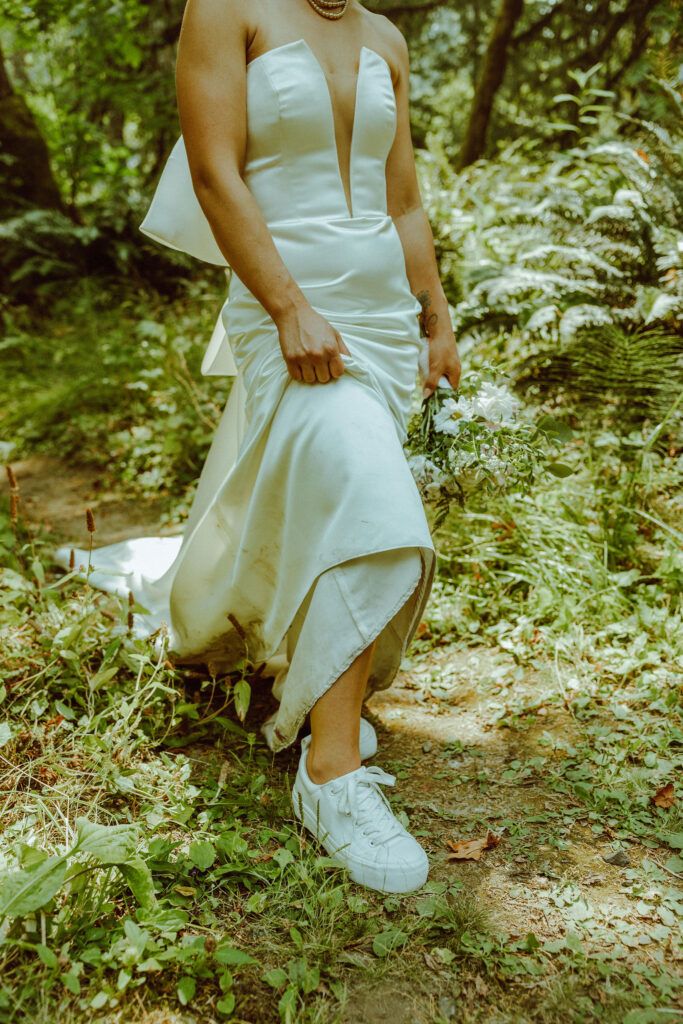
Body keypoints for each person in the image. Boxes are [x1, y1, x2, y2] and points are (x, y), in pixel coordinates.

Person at [55, 0, 461, 894]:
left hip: (382, 323)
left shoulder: (385, 38)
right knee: (364, 486)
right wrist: (287, 307)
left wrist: (435, 315)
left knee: (338, 489)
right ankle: (331, 775)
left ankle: (316, 683)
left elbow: (402, 200)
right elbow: (214, 174)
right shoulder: (228, 10)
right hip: (288, 307)